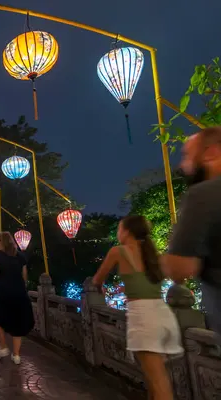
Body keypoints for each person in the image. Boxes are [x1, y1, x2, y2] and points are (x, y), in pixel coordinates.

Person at [93, 216, 182, 400]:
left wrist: (100, 287)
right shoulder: (153, 255)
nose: (118, 233)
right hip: (163, 316)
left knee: (159, 385)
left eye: (119, 229)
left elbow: (97, 279)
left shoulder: (118, 251)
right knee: (153, 382)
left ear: (127, 232)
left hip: (143, 319)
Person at [161, 126, 221, 337]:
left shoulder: (203, 195)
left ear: (211, 152)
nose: (183, 165)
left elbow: (179, 268)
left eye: (187, 156)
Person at [0, 232, 34, 365]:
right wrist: (22, 288)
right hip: (19, 293)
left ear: (1, 242)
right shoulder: (20, 257)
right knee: (18, 322)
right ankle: (16, 355)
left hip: (3, 292)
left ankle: (3, 347)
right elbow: (24, 275)